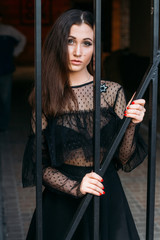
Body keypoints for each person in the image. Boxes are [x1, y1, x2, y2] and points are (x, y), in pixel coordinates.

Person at [22, 9, 147, 240]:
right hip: (61, 203)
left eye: (86, 43)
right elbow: (39, 165)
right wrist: (76, 186)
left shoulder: (111, 93)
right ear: (59, 44)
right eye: (70, 41)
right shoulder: (46, 97)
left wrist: (132, 124)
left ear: (94, 49)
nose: (78, 52)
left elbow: (124, 157)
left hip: (106, 195)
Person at [0, 13, 26, 131]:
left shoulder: (9, 30)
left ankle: (3, 124)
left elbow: (23, 38)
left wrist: (16, 52)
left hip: (5, 69)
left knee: (5, 98)